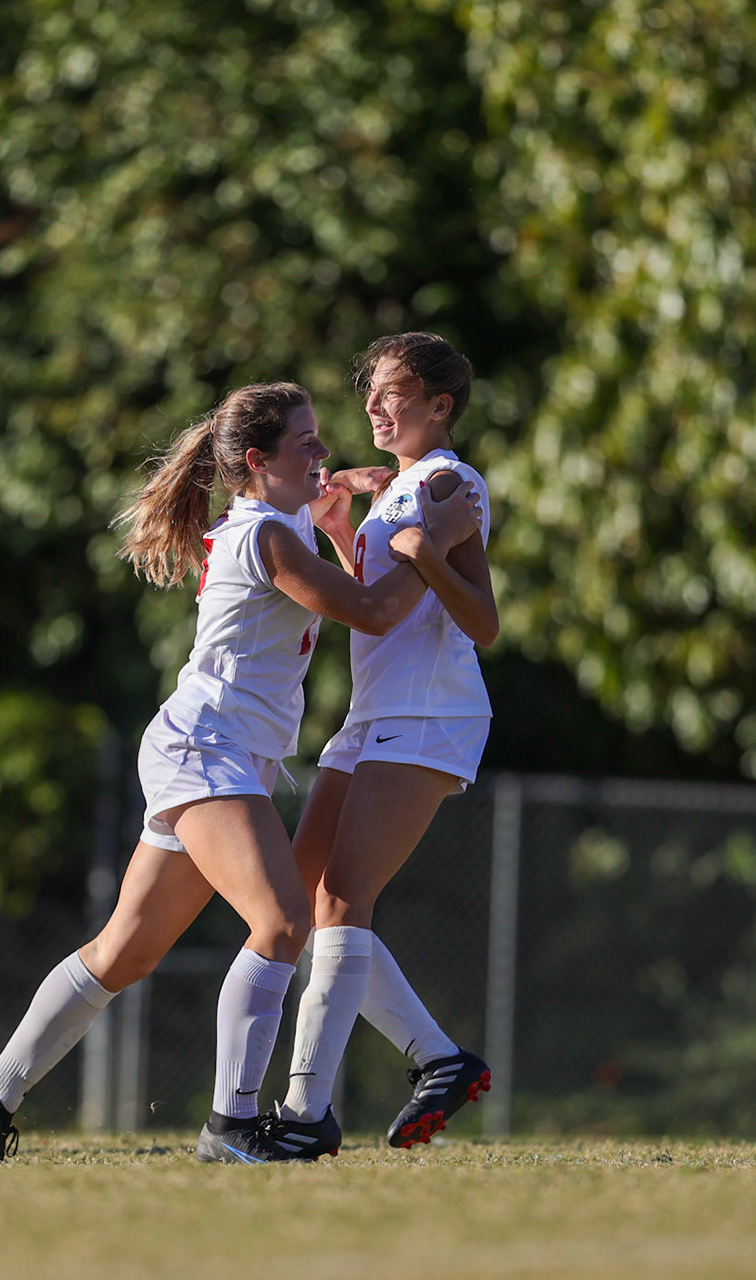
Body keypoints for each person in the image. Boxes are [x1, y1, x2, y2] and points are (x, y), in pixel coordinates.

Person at [0, 380, 481, 1163]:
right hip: (207, 748)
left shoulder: (279, 516)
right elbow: (370, 611)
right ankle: (230, 1124)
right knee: (285, 922)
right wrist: (430, 537)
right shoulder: (265, 536)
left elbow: (348, 487)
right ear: (258, 462)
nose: (324, 454)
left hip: (213, 748)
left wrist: (376, 486)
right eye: (307, 442)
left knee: (126, 949)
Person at [273, 333, 499, 1153]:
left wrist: (429, 553)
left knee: (340, 900)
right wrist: (343, 531)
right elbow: (379, 600)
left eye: (392, 392)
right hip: (375, 710)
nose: (373, 405)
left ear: (439, 406)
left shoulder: (448, 481)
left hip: (432, 710)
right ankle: (439, 1060)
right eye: (369, 389)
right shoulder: (397, 489)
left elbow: (483, 620)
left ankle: (303, 1117)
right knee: (291, 909)